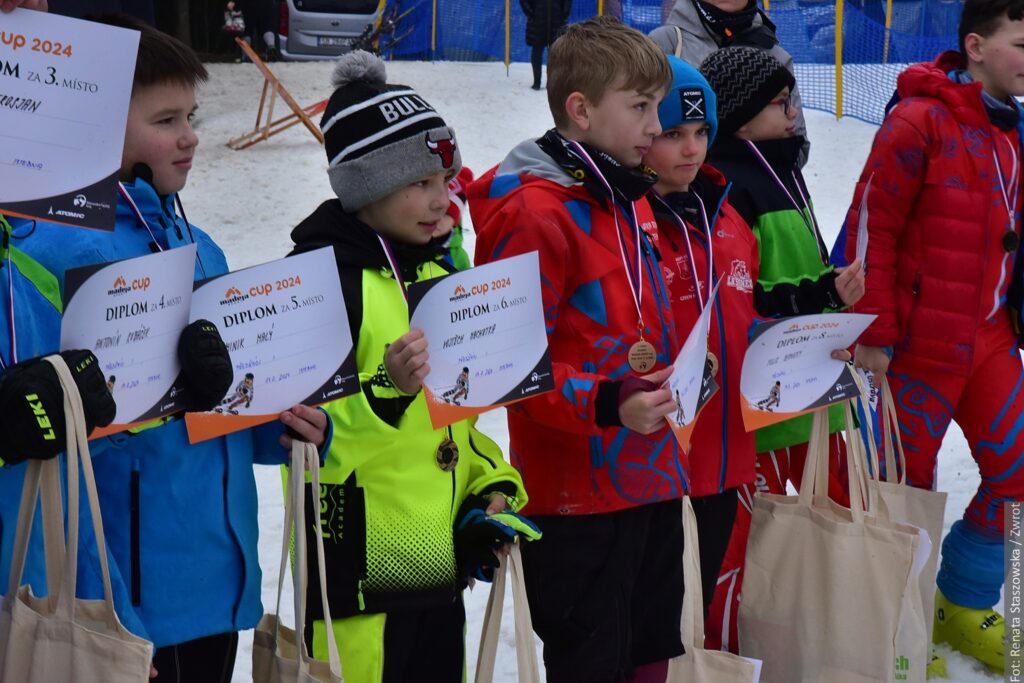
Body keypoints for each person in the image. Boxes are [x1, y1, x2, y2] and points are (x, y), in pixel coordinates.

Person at [12, 15, 329, 682]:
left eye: (191, 115)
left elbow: (220, 409)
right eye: (165, 120)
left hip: (217, 582)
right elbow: (66, 458)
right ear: (95, 126)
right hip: (130, 604)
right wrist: (105, 607)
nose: (189, 137)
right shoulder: (56, 255)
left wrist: (283, 424)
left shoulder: (200, 245)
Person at [287, 50, 535, 682]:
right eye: (420, 184)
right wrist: (386, 389)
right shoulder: (325, 282)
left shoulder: (440, 272)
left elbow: (454, 423)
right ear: (368, 186)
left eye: (446, 183)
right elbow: (315, 441)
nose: (442, 202)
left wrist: (488, 486)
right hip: (357, 576)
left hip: (432, 563)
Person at [470, 17, 686, 683]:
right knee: (593, 657)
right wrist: (606, 402)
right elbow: (508, 368)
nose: (657, 124)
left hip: (647, 470)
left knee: (652, 643)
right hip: (577, 495)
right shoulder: (536, 214)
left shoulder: (624, 192)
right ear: (581, 110)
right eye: (642, 107)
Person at [845, 0, 1024, 672]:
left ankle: (962, 601)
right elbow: (874, 226)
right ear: (975, 46)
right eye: (1021, 44)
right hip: (915, 348)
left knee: (1018, 473)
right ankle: (893, 629)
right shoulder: (918, 119)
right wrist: (877, 334)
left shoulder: (1015, 128)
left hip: (988, 341)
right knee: (902, 495)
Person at [695, 45, 864, 654]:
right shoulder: (729, 183)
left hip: (811, 384)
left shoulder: (781, 165)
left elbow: (792, 266)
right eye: (781, 101)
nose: (795, 110)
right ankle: (731, 651)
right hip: (760, 403)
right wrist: (815, 294)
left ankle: (828, 635)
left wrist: (829, 296)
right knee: (750, 536)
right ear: (740, 115)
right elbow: (740, 295)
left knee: (839, 515)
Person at [640, 57, 762, 621]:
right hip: (659, 455)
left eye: (701, 132)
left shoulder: (728, 215)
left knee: (704, 594)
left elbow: (745, 316)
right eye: (673, 133)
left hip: (725, 450)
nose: (691, 149)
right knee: (660, 612)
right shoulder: (630, 222)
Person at [649, 0, 811, 165]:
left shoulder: (772, 51)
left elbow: (797, 149)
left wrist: (746, 179)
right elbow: (638, 134)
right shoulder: (666, 44)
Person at [519, 0, 572, 90]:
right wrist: (531, 14)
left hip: (556, 22)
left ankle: (551, 83)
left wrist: (563, 15)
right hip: (537, 21)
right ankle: (536, 82)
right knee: (537, 51)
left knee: (555, 53)